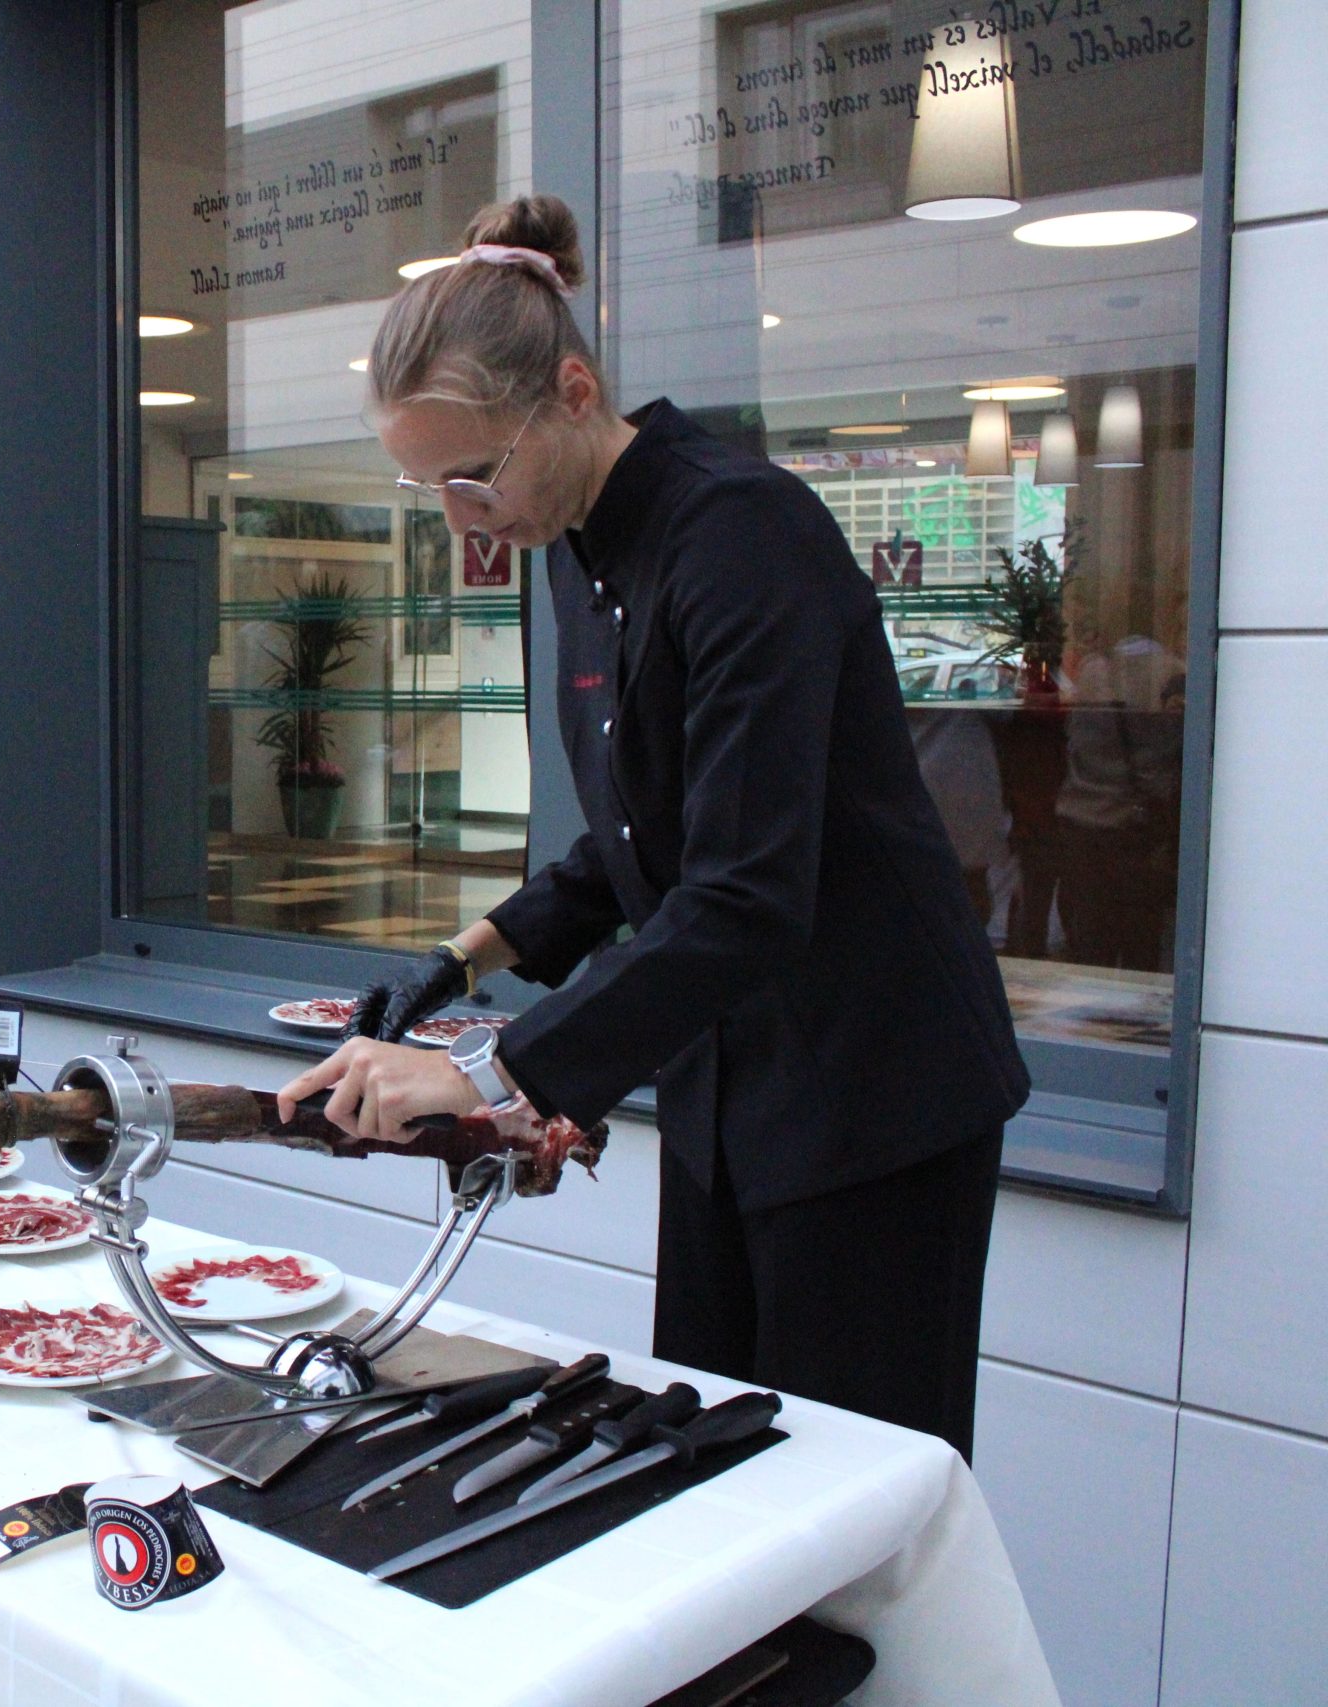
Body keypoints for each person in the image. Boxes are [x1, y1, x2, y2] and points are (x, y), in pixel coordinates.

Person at [281, 197, 1029, 1462]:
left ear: (571, 392)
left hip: (873, 1093)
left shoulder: (744, 535)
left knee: (847, 1491)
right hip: (726, 1076)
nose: (463, 519)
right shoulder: (574, 549)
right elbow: (634, 846)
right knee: (709, 1460)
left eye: (474, 473)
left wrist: (489, 1071)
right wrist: (458, 969)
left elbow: (741, 891)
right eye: (429, 485)